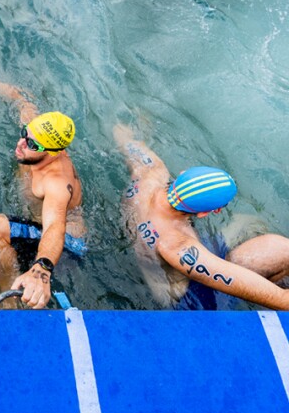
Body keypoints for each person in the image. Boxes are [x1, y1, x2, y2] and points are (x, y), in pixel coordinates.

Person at [114, 124, 289, 310]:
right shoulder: (179, 247)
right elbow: (280, 300)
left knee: (247, 222)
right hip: (184, 300)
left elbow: (123, 135)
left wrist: (139, 121)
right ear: (204, 213)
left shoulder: (150, 173)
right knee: (280, 249)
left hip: (156, 257)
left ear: (183, 175)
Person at [0, 60, 86, 309]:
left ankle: (9, 302)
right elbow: (22, 97)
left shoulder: (57, 183)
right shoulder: (37, 133)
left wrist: (42, 270)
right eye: (25, 134)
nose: (22, 144)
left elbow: (54, 228)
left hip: (66, 243)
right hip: (36, 226)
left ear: (53, 151)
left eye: (33, 145)